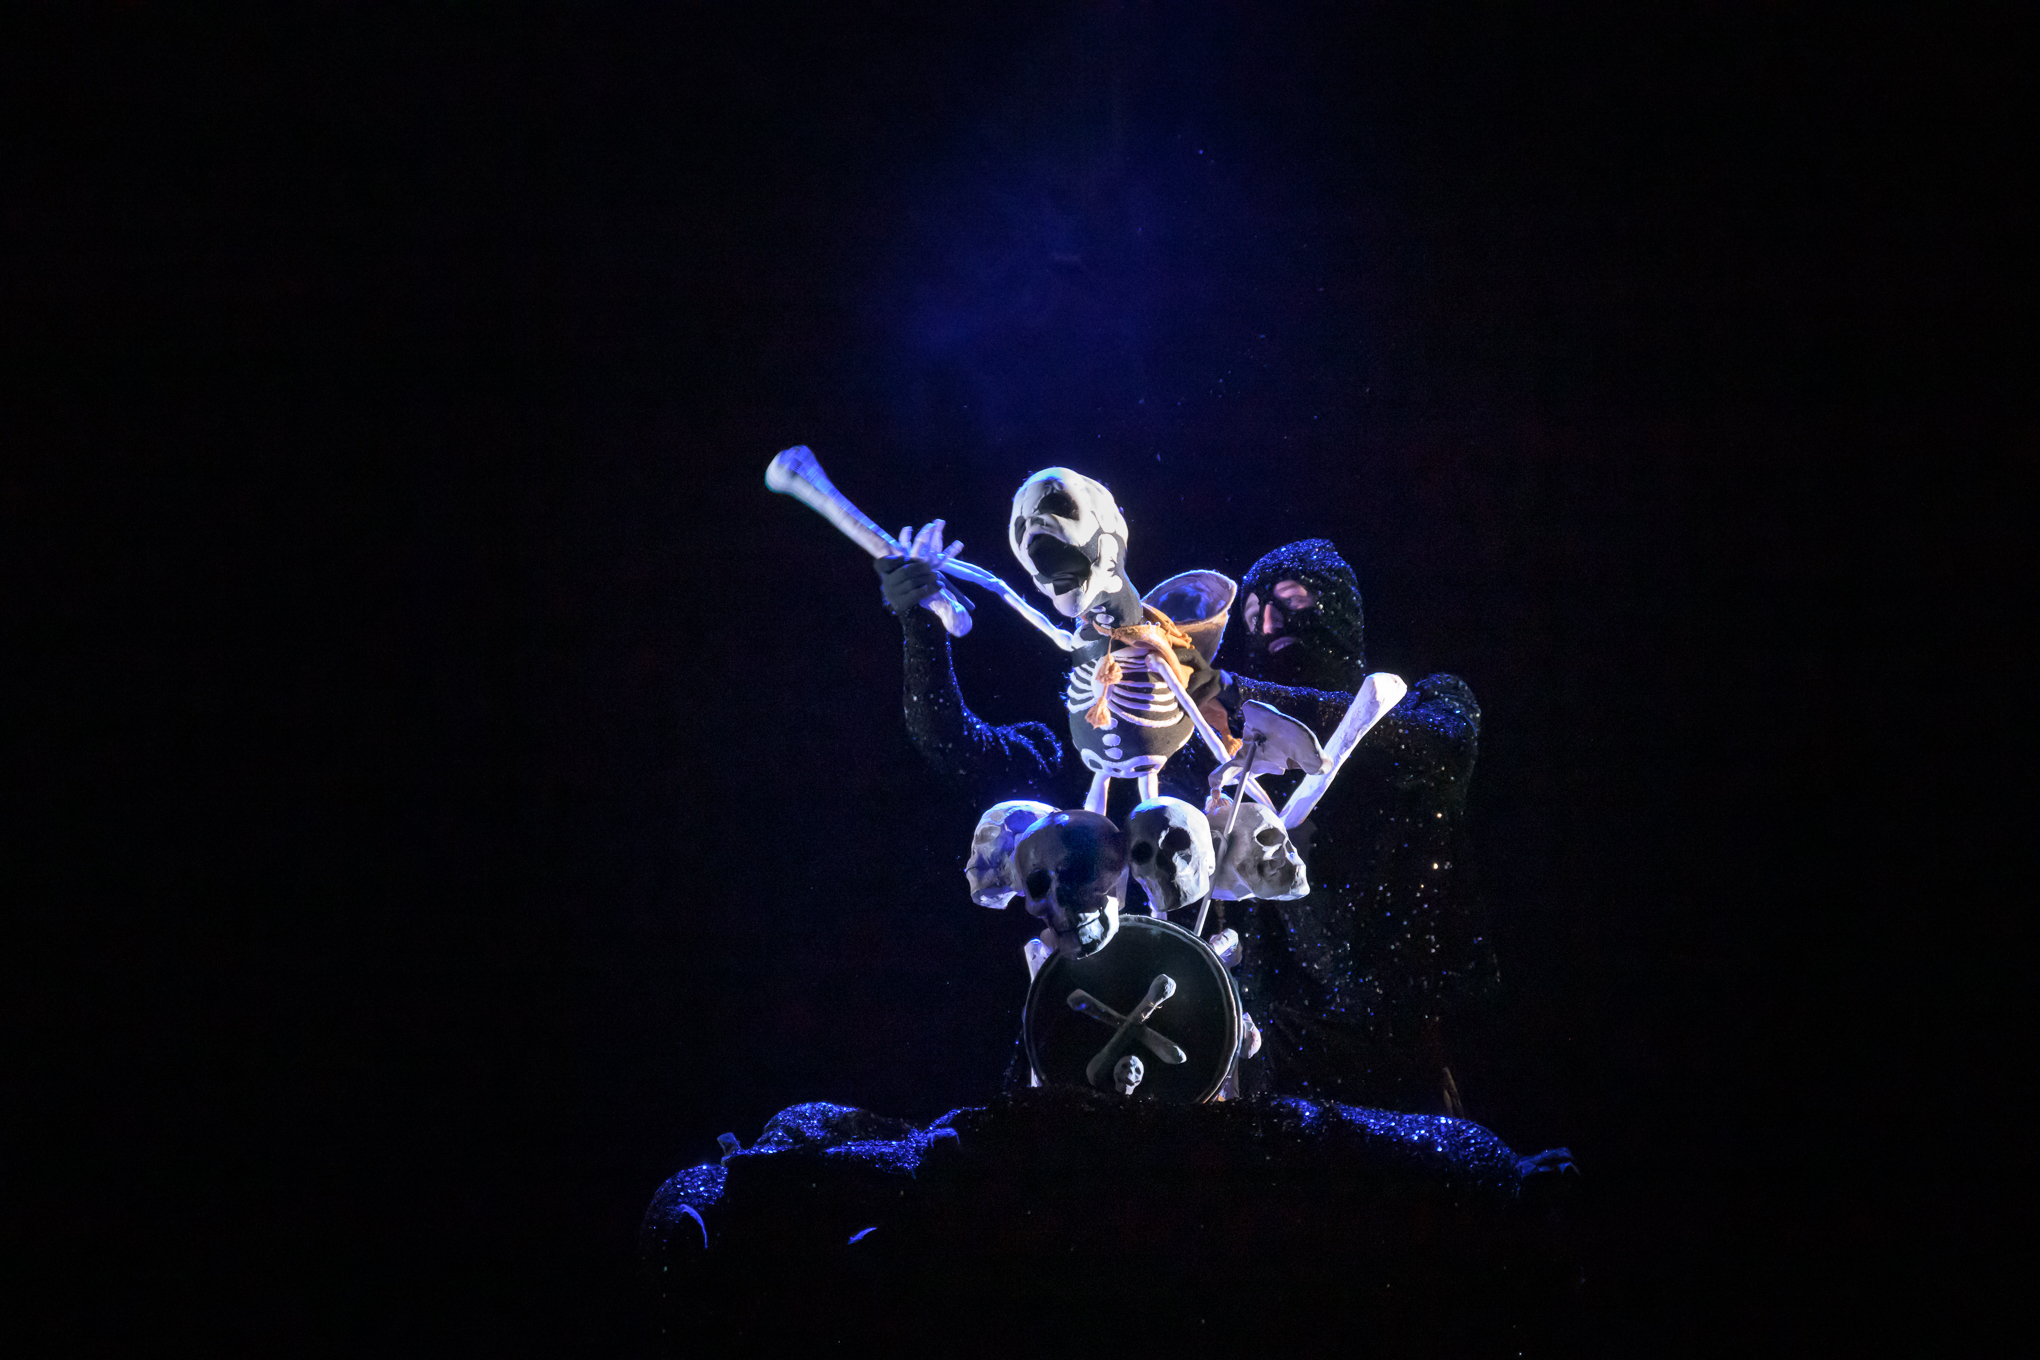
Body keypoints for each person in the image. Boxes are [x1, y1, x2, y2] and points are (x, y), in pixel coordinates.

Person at [877, 532, 1492, 1116]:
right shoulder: (1191, 758)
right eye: (1253, 614)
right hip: (1258, 1073)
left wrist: (1229, 691)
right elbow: (962, 750)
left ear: (1340, 609)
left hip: (1401, 1057)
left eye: (1292, 601)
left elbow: (1435, 742)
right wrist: (923, 627)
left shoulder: (1428, 709)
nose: (1270, 624)